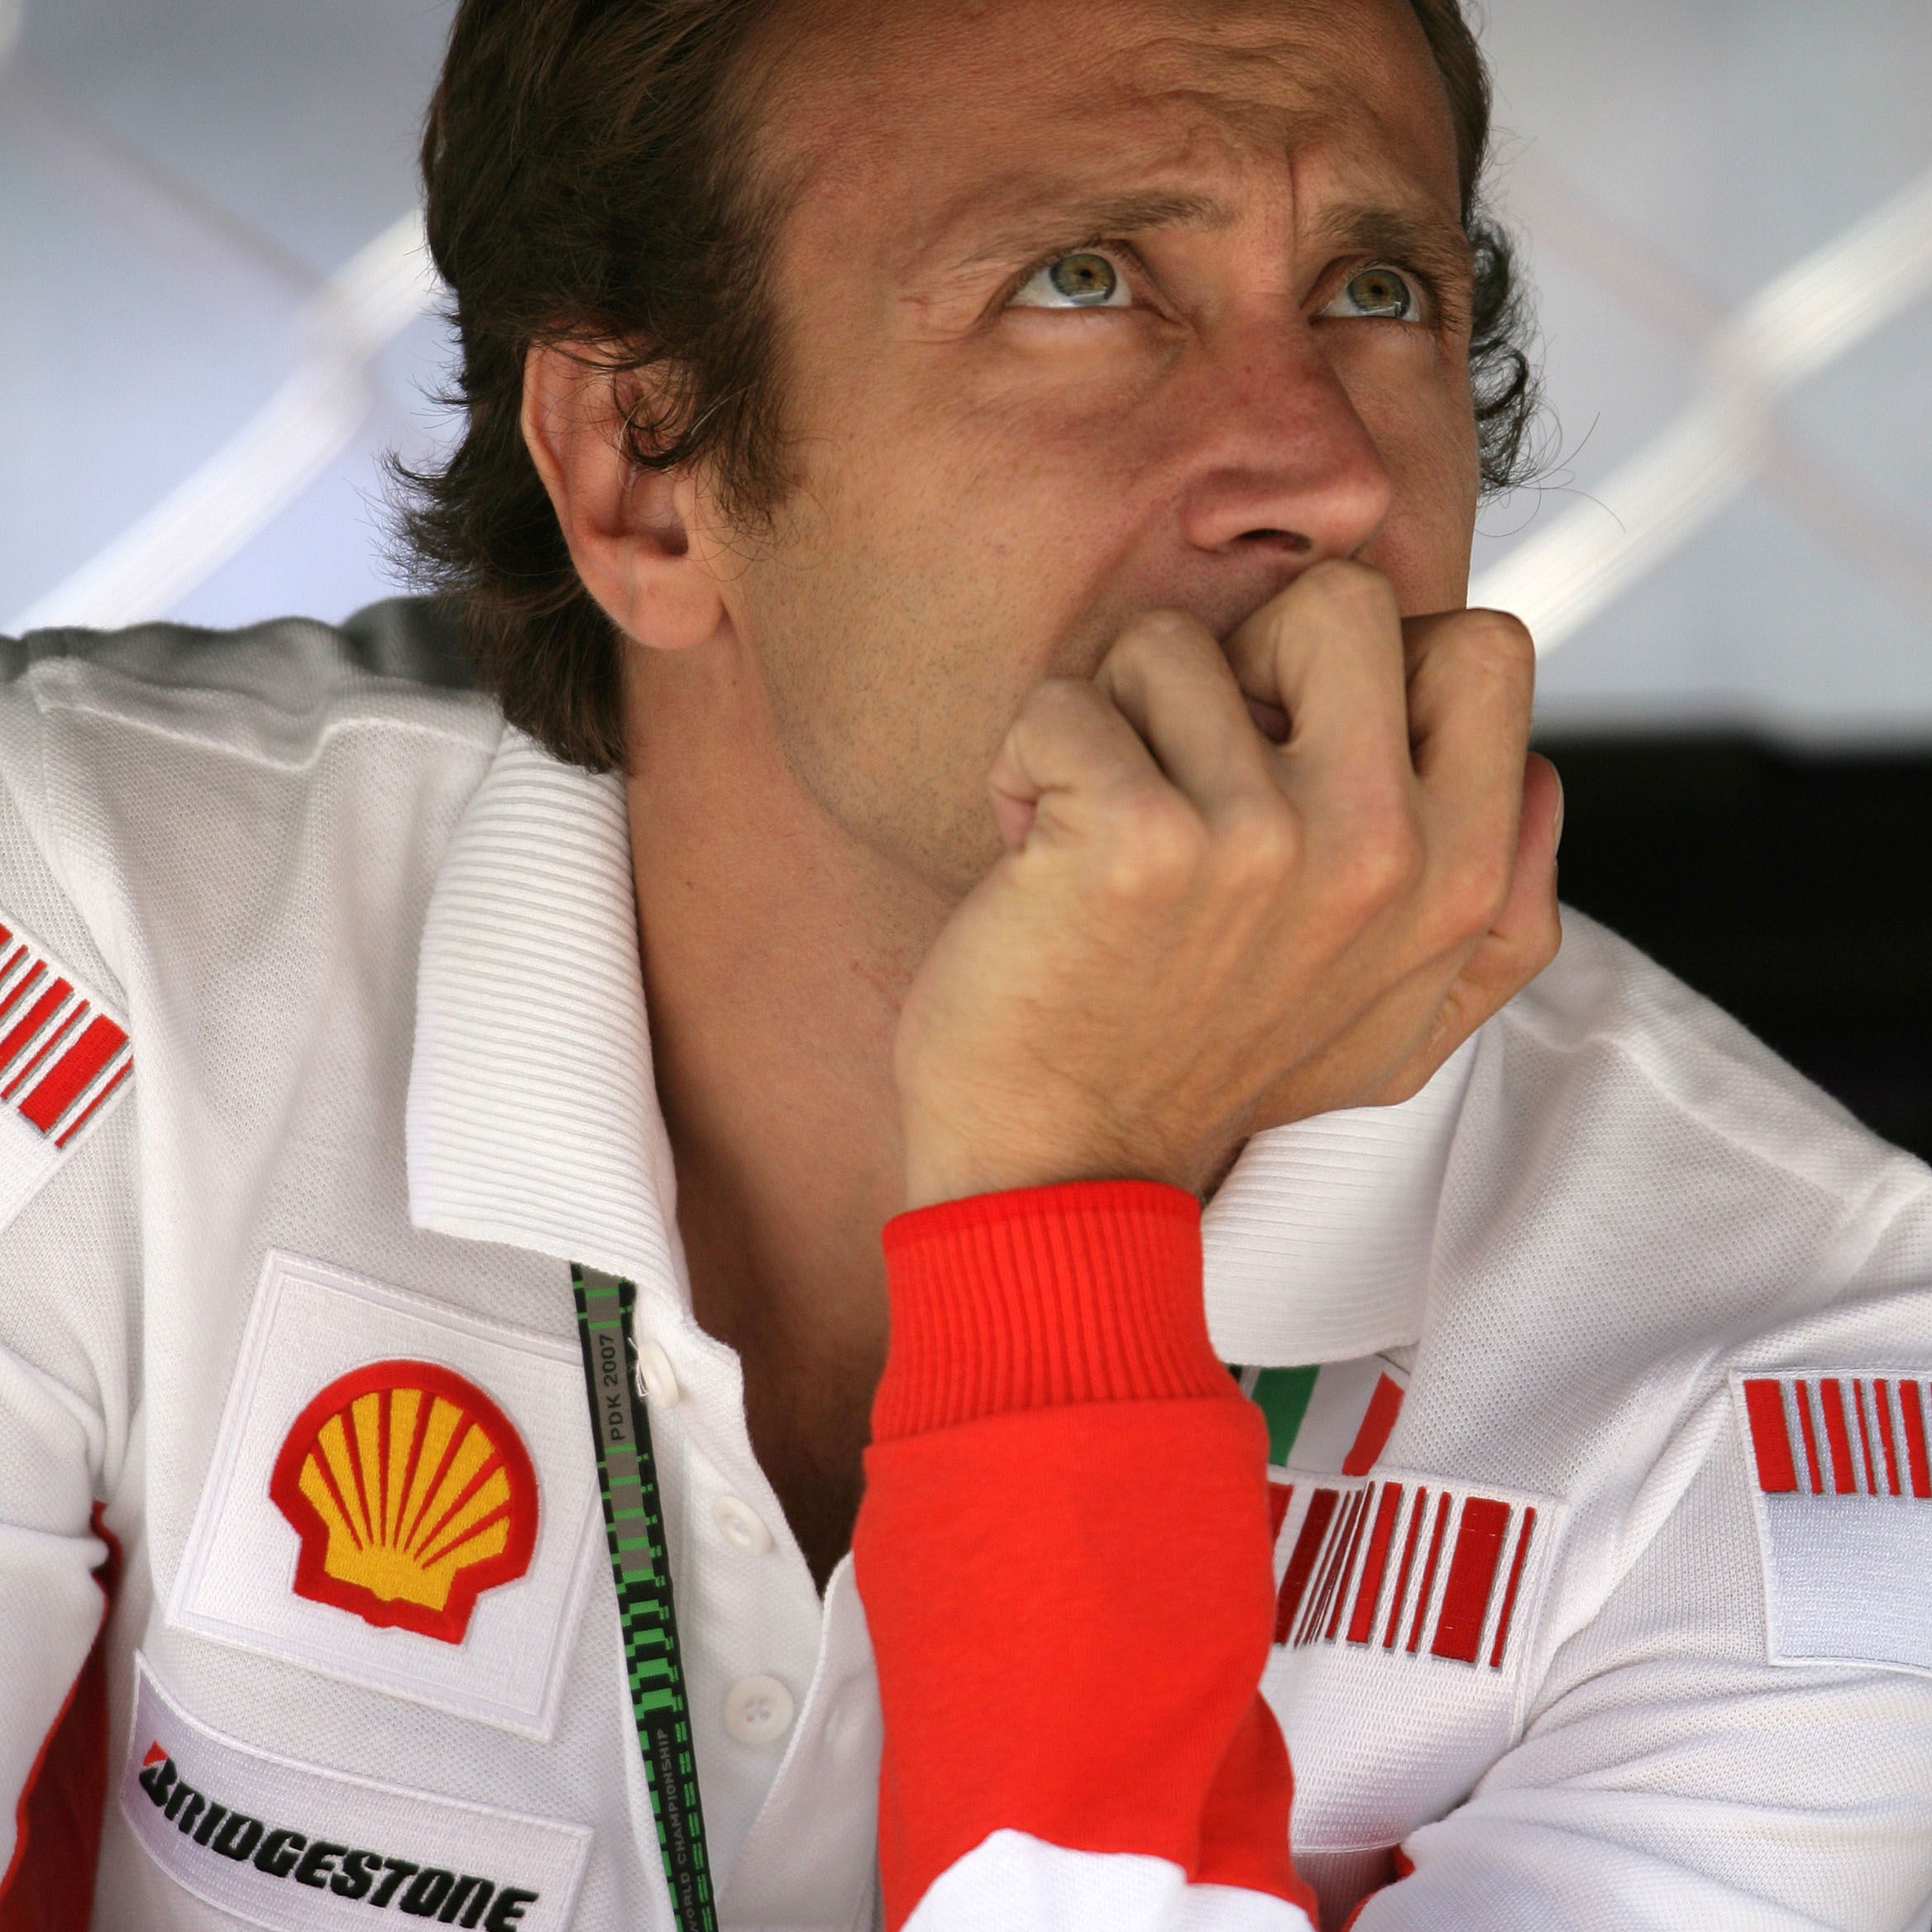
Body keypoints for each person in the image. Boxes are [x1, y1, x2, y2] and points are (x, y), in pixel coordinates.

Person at [2, 0, 1929, 1926]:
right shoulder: (91, 938)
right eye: (1084, 283)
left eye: (1373, 291)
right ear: (639, 475)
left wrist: (1064, 1204)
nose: (1321, 472)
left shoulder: (1799, 1372)